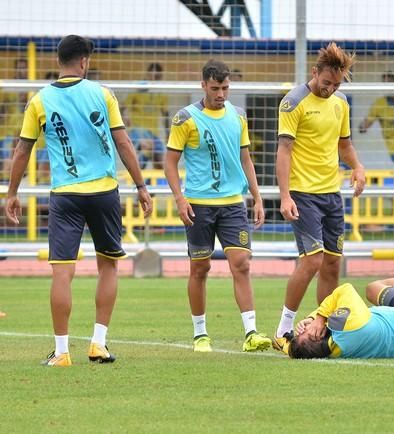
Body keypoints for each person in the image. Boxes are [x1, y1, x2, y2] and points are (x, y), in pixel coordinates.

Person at [4, 35, 153, 367]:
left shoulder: (39, 100)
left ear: (59, 61)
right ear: (84, 61)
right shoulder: (103, 94)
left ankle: (61, 352)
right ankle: (98, 343)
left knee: (62, 272)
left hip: (66, 195)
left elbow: (22, 150)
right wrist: (142, 186)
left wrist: (12, 193)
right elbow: (123, 142)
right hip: (103, 192)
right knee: (109, 265)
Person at [164, 59, 271, 353]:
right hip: (199, 205)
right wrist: (179, 198)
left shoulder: (238, 116)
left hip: (233, 204)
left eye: (225, 87)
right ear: (203, 85)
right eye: (215, 88)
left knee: (242, 264)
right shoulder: (185, 119)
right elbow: (170, 163)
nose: (221, 94)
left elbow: (245, 158)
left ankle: (251, 332)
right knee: (200, 268)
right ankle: (200, 334)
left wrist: (257, 196)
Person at [272, 42, 366, 354]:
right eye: (326, 83)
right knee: (312, 260)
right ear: (315, 73)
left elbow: (345, 145)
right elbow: (284, 151)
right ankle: (284, 327)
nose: (330, 89)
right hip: (302, 193)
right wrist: (284, 196)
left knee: (331, 265)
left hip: (331, 194)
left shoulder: (341, 103)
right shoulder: (293, 102)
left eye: (336, 84)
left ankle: (320, 326)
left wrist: (357, 167)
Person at [288, 269, 394, 359]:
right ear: (317, 335)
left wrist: (310, 319)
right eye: (307, 332)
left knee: (380, 311)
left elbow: (293, 348)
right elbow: (345, 289)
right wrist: (319, 318)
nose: (303, 330)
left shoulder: (332, 350)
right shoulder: (350, 325)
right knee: (373, 289)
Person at [123, 62, 169, 168]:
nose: (154, 78)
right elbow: (122, 107)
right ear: (147, 74)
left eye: (157, 76)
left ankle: (151, 182)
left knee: (162, 164)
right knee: (143, 154)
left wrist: (168, 133)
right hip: (137, 130)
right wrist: (125, 118)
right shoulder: (138, 88)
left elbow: (165, 114)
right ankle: (139, 178)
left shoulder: (162, 93)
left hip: (154, 133)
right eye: (152, 75)